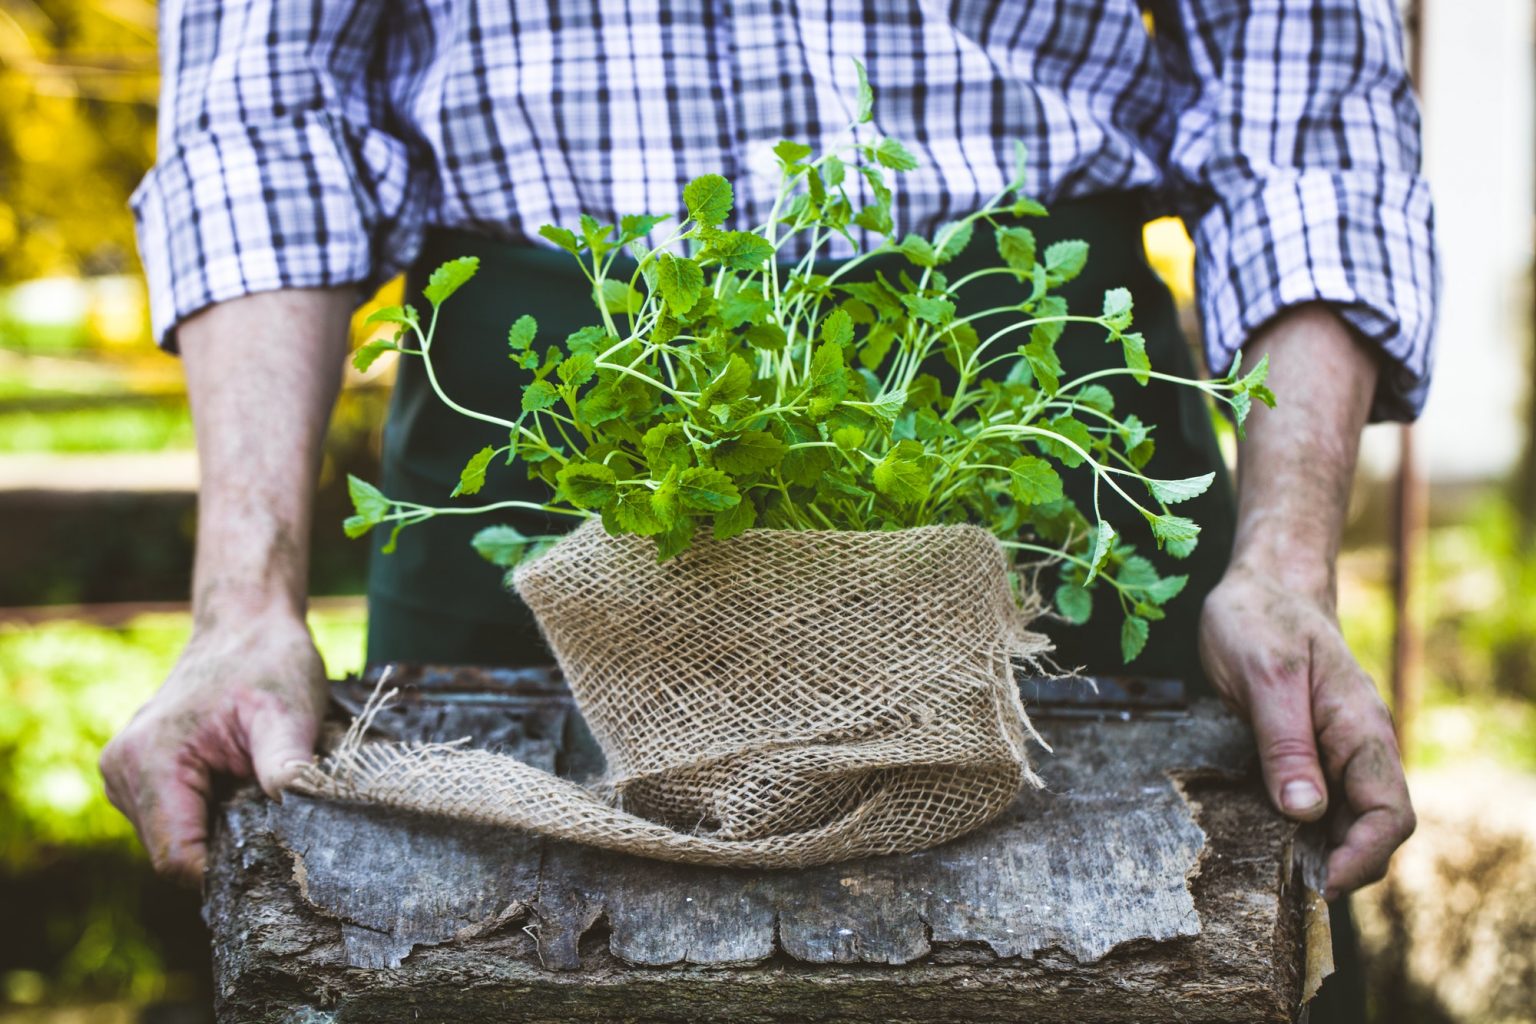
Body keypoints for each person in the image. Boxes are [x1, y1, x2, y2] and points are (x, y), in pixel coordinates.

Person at [101, 0, 1433, 1013]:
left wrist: (1285, 564)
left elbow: (1304, 101)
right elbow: (262, 114)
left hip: (1036, 406)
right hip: (552, 448)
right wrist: (242, 604)